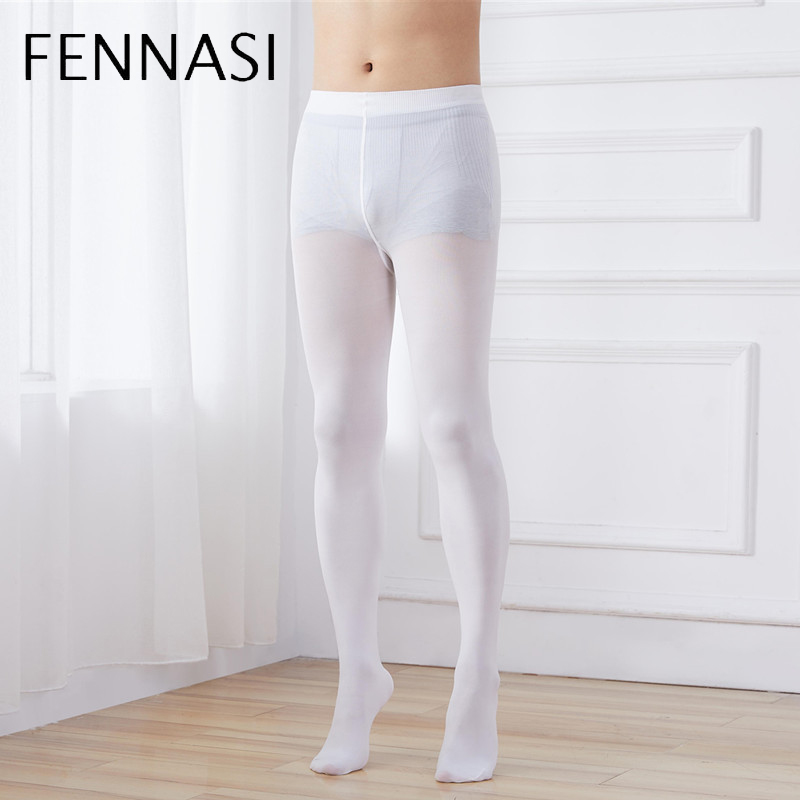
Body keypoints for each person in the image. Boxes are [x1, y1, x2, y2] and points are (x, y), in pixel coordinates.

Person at [289, 0, 511, 784]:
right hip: (326, 137)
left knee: (452, 423)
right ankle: (358, 676)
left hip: (439, 135)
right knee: (337, 424)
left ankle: (477, 676)